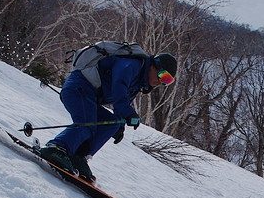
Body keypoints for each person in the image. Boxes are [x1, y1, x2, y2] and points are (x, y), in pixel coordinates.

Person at [40, 52, 178, 183]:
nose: (161, 82)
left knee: (111, 123)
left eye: (168, 81)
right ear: (154, 65)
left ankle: (77, 157)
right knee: (88, 123)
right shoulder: (131, 65)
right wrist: (129, 113)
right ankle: (56, 148)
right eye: (163, 76)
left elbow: (123, 103)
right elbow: (119, 90)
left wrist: (120, 126)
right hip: (78, 88)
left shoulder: (138, 82)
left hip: (89, 97)